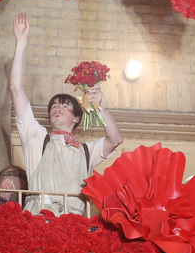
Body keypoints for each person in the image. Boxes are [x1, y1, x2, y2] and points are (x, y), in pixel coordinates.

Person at [9, 12, 123, 215]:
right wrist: (21, 42)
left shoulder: (87, 151)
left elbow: (115, 139)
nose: (57, 108)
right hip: (38, 220)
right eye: (53, 106)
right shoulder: (35, 136)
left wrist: (97, 106)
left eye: (64, 105)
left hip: (73, 226)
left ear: (77, 118)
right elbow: (16, 89)